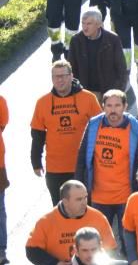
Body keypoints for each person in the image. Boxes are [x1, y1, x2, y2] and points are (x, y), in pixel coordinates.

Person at [74, 89, 138, 240]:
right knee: (99, 244)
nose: (113, 110)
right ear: (103, 107)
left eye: (117, 105)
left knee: (128, 243)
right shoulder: (93, 125)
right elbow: (82, 157)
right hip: (98, 198)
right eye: (109, 105)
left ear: (125, 106)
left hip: (126, 198)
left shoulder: (136, 128)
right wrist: (78, 186)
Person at [26, 180, 116, 265]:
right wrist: (55, 264)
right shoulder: (46, 221)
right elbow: (32, 250)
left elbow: (110, 250)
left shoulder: (98, 217)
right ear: (65, 202)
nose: (84, 203)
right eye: (79, 199)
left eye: (85, 197)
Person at [31, 61, 103, 205]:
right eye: (56, 76)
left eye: (63, 76)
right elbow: (37, 135)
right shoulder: (42, 103)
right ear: (52, 79)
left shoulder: (88, 98)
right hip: (55, 168)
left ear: (71, 76)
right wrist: (36, 162)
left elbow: (100, 130)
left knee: (84, 208)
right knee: (60, 210)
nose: (60, 80)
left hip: (83, 166)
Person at [66, 9, 128, 97]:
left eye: (89, 24)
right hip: (84, 94)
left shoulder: (112, 40)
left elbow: (121, 69)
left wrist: (117, 93)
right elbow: (71, 69)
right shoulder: (76, 40)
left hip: (107, 94)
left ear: (99, 24)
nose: (85, 27)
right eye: (83, 23)